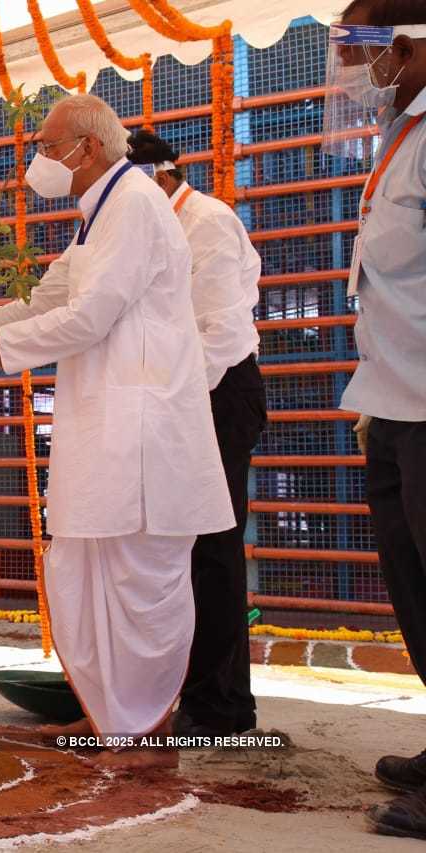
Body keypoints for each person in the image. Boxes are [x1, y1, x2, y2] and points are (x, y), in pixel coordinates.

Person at [0, 94, 234, 769]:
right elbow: (47, 300)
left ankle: (146, 736)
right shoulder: (99, 214)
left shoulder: (135, 205)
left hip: (144, 433)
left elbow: (89, 317)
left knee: (140, 582)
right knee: (81, 572)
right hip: (104, 429)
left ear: (87, 148)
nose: (37, 159)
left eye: (45, 144)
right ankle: (109, 720)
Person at [322, 0, 426, 839]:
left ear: (402, 48)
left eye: (361, 53)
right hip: (393, 403)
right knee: (414, 592)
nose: (356, 76)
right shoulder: (405, 139)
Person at [126, 130, 268, 737]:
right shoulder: (153, 225)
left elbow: (220, 332)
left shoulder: (206, 222)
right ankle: (185, 690)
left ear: (158, 179)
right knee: (174, 547)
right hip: (177, 398)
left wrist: (172, 407)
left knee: (212, 547)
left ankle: (223, 707)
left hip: (215, 395)